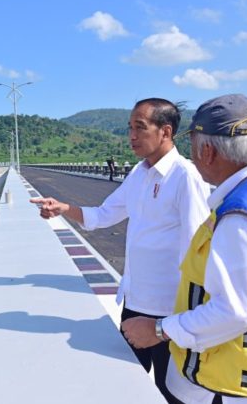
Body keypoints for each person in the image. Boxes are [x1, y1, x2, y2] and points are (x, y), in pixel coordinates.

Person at [122, 94, 247, 404]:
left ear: (208, 151)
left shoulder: (243, 215)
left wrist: (159, 330)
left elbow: (235, 311)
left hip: (243, 382)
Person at [30, 98, 210, 402]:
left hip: (169, 312)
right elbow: (103, 215)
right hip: (134, 303)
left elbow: (198, 249)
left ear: (165, 132)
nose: (132, 136)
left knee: (174, 395)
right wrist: (62, 208)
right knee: (130, 388)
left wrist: (185, 319)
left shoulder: (185, 177)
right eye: (130, 128)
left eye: (140, 128)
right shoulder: (139, 174)